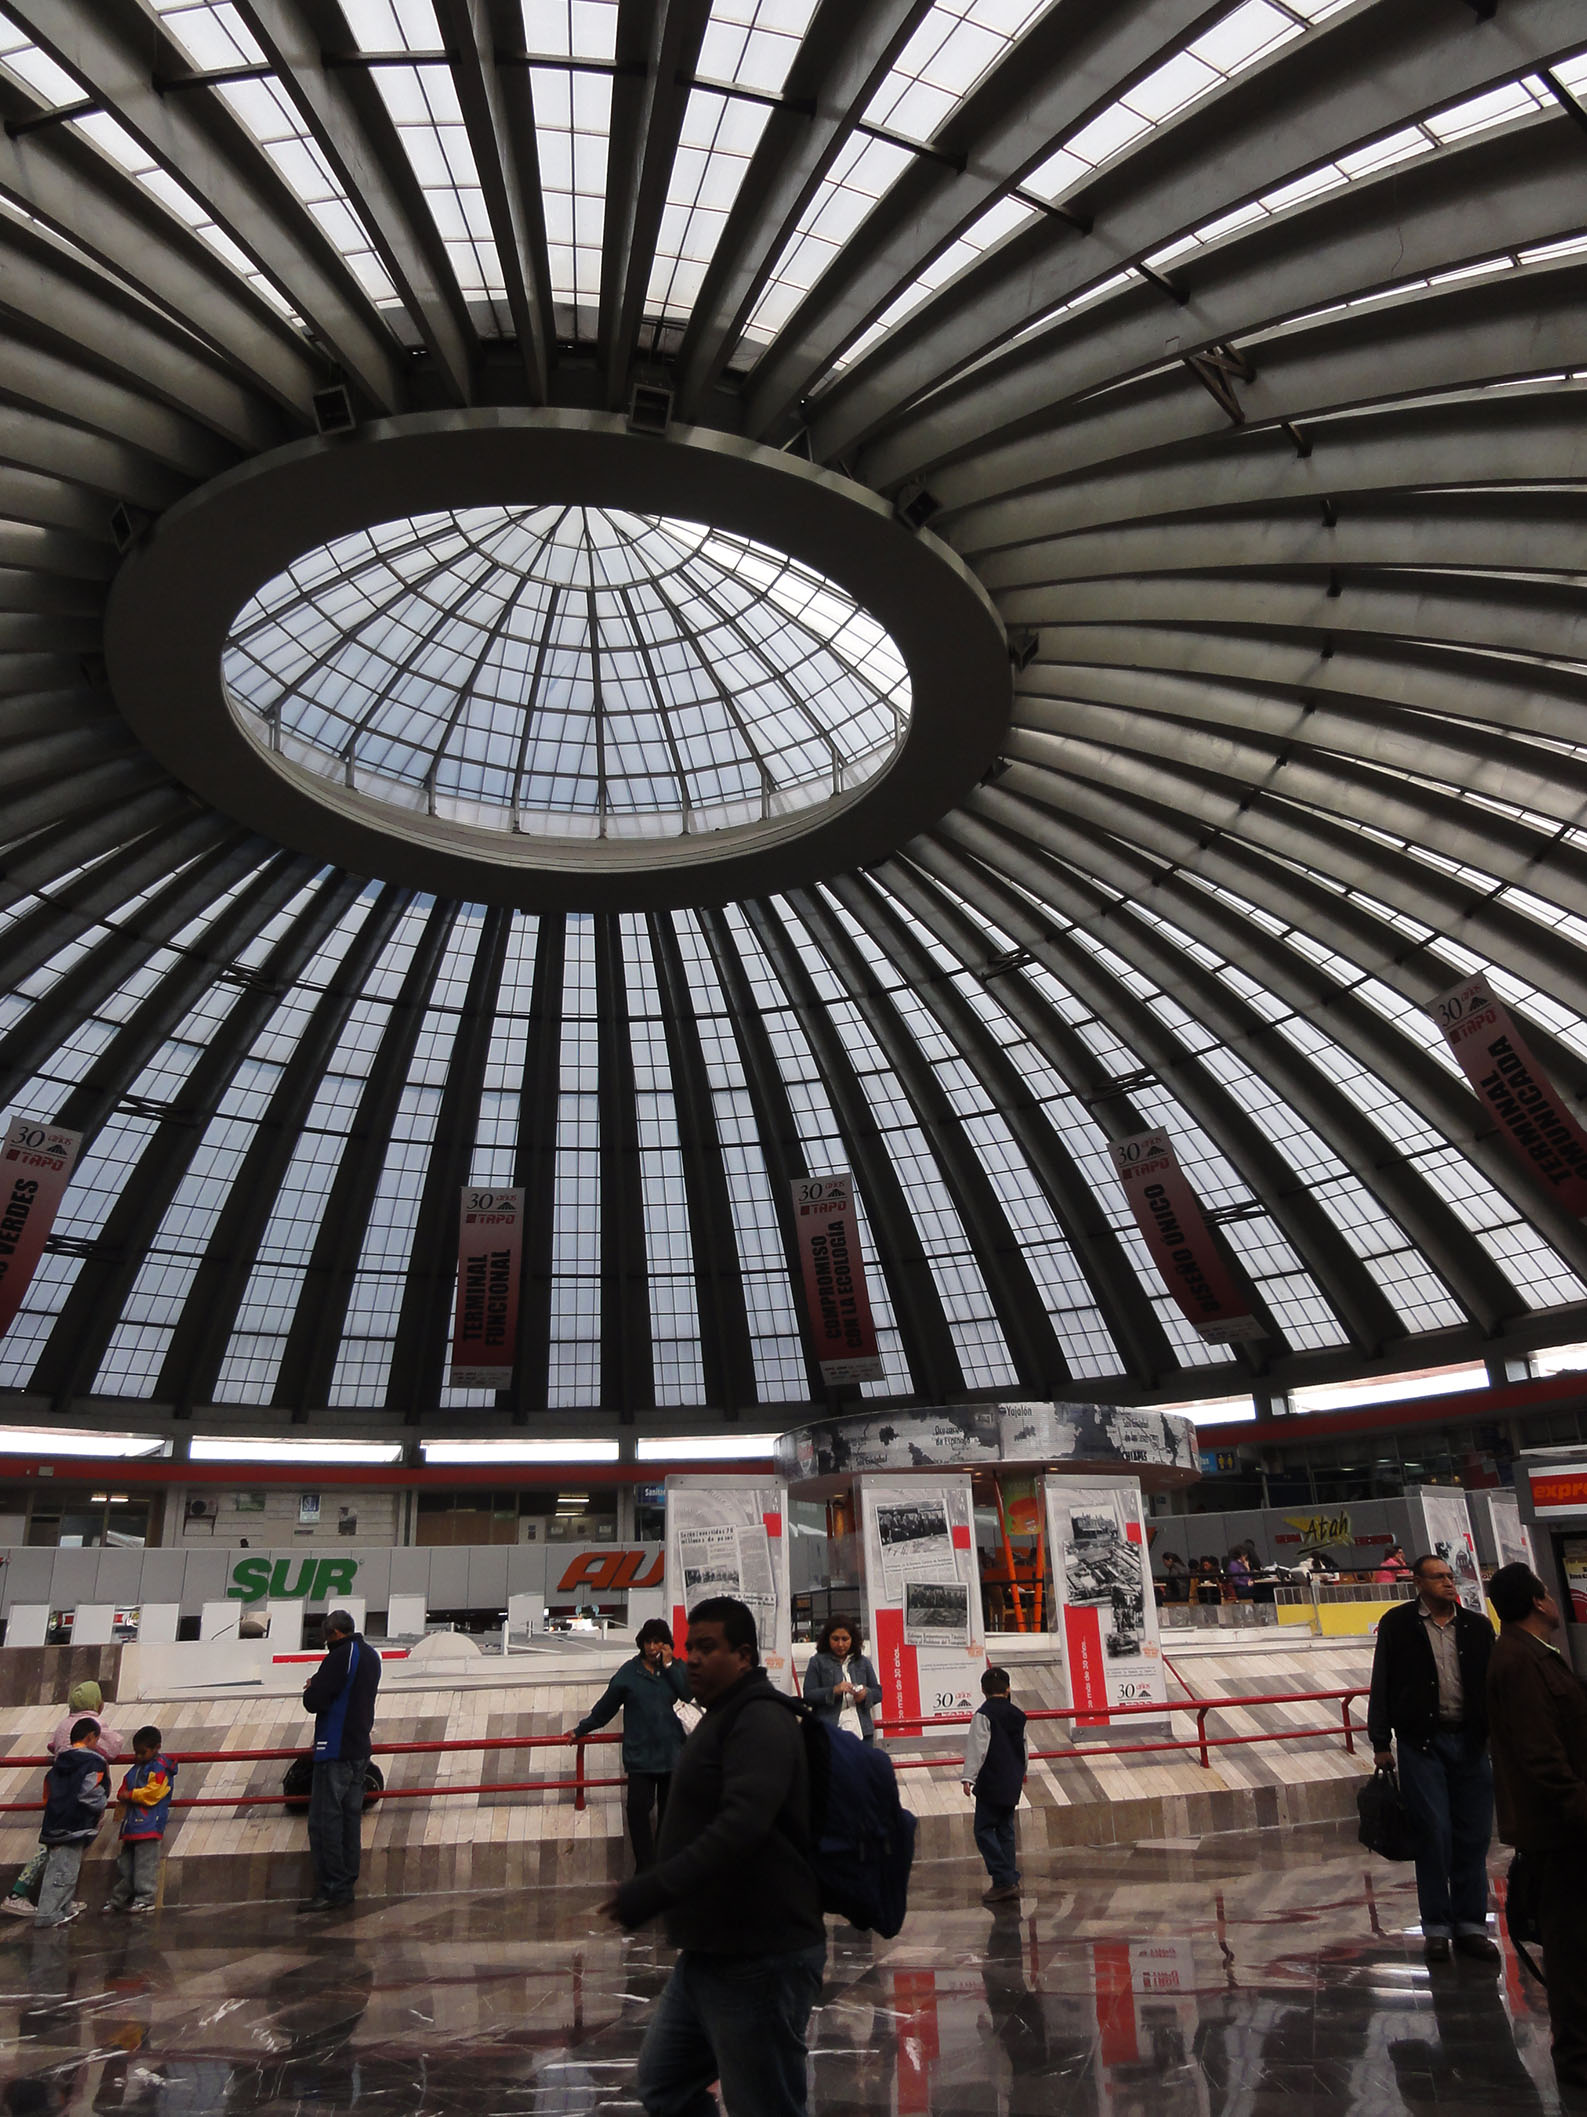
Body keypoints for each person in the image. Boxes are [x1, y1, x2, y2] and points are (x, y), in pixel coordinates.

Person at [604, 1596, 825, 2117]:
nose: (692, 1659)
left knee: (764, 2105)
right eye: (689, 1647)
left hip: (759, 1955)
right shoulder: (722, 1716)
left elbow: (742, 1825)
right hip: (710, 1952)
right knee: (665, 2085)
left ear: (744, 1656)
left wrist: (657, 1886)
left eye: (707, 1648)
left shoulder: (762, 1721)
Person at [1367, 1551, 1498, 1963]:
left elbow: (1492, 1686)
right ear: (1418, 1583)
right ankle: (1437, 1927)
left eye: (1450, 1577)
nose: (1447, 1583)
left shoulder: (1477, 1628)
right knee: (1434, 1834)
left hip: (1471, 1743)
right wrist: (1380, 1741)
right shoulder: (1398, 1625)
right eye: (1438, 1577)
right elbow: (1382, 1680)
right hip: (1421, 1744)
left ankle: (1472, 1925)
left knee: (1473, 1835)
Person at [1487, 1562, 1587, 2086]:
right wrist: (1578, 1804)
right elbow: (1540, 1752)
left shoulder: (1533, 1655)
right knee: (1571, 1945)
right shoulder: (1520, 1661)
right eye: (1547, 1593)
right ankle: (1576, 2057)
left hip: (1564, 1823)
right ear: (1538, 1602)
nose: (1553, 1599)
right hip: (1559, 1829)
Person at [569, 1617, 692, 1869]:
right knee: (637, 1811)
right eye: (648, 1641)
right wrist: (582, 1729)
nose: (652, 1647)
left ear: (666, 1644)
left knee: (670, 1818)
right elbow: (606, 1708)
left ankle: (662, 1867)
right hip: (641, 1759)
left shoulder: (676, 1669)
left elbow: (688, 1693)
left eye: (657, 1641)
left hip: (672, 1757)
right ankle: (646, 1867)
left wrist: (669, 1665)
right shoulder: (628, 1673)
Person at [3, 1682, 123, 1919]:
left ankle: (58, 1900)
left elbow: (53, 1746)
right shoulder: (93, 1726)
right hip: (81, 1806)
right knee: (66, 1852)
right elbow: (114, 1747)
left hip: (59, 1796)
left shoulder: (63, 1725)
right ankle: (26, 1896)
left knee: (53, 1847)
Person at [299, 1607, 380, 1913]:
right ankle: (345, 1885)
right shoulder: (371, 1656)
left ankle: (330, 1887)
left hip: (334, 1748)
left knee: (324, 1821)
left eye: (325, 1636)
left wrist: (311, 1687)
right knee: (349, 1820)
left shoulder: (340, 1656)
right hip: (359, 1749)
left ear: (334, 1632)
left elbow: (315, 1700)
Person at [34, 1718, 110, 1929]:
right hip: (77, 1823)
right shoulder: (94, 1762)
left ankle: (61, 1909)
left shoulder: (61, 1761)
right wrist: (101, 1804)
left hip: (54, 1821)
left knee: (57, 1867)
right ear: (90, 1737)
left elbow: (48, 1790)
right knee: (65, 1871)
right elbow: (90, 1791)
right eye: (97, 1739)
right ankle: (49, 1914)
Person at [962, 1666, 1027, 1906]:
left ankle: (1004, 1879)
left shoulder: (984, 1714)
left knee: (983, 1830)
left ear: (983, 1690)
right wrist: (1022, 1773)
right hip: (1011, 1781)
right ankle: (1008, 1880)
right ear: (1008, 1689)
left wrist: (969, 1777)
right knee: (1006, 1831)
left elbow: (978, 1747)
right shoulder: (1019, 1715)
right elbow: (1024, 1747)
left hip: (991, 1781)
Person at [106, 1725, 175, 1915]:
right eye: (136, 1752)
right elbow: (126, 1785)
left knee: (145, 1865)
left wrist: (130, 1795)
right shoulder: (137, 1768)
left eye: (142, 1752)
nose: (138, 1756)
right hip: (132, 1824)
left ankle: (145, 1898)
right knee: (125, 1864)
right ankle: (119, 1899)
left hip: (149, 1823)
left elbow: (154, 1793)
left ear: (156, 1748)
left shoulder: (160, 1768)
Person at [803, 1616, 882, 1743]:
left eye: (845, 1639)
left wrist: (865, 1694)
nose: (840, 1644)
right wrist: (834, 1690)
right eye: (835, 1639)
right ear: (827, 1639)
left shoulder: (863, 1662)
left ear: (853, 1639)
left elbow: (878, 1693)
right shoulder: (817, 1662)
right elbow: (808, 1695)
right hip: (828, 1733)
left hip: (862, 1732)